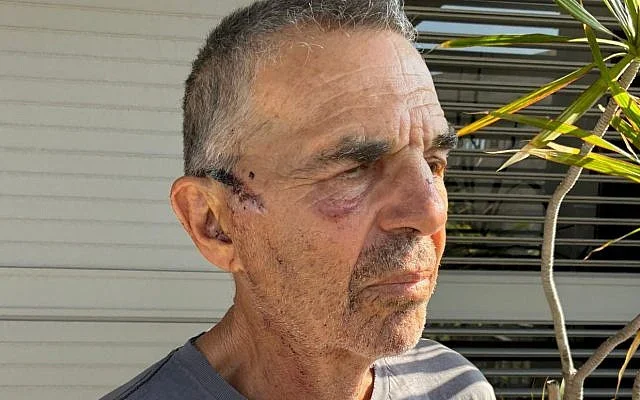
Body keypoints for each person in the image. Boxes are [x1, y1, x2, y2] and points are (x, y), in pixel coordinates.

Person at [100, 0, 496, 399]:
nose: (431, 212)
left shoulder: (455, 385)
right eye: (355, 168)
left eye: (433, 163)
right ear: (215, 224)